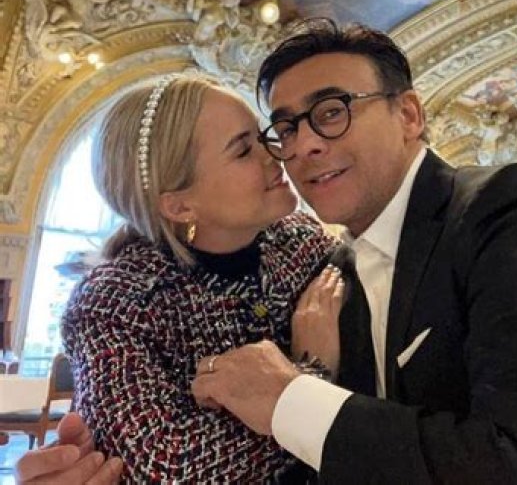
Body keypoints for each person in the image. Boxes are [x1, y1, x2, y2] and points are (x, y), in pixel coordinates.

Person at [18, 19, 517, 484]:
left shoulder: (503, 211)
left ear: (409, 115)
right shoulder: (327, 265)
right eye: (282, 128)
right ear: (177, 203)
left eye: (332, 110)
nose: (299, 147)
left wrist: (293, 391)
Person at [16, 74, 343, 483]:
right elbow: (164, 467)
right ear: (178, 206)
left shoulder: (301, 242)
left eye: (263, 137)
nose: (277, 154)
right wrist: (310, 378)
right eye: (244, 150)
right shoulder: (116, 301)